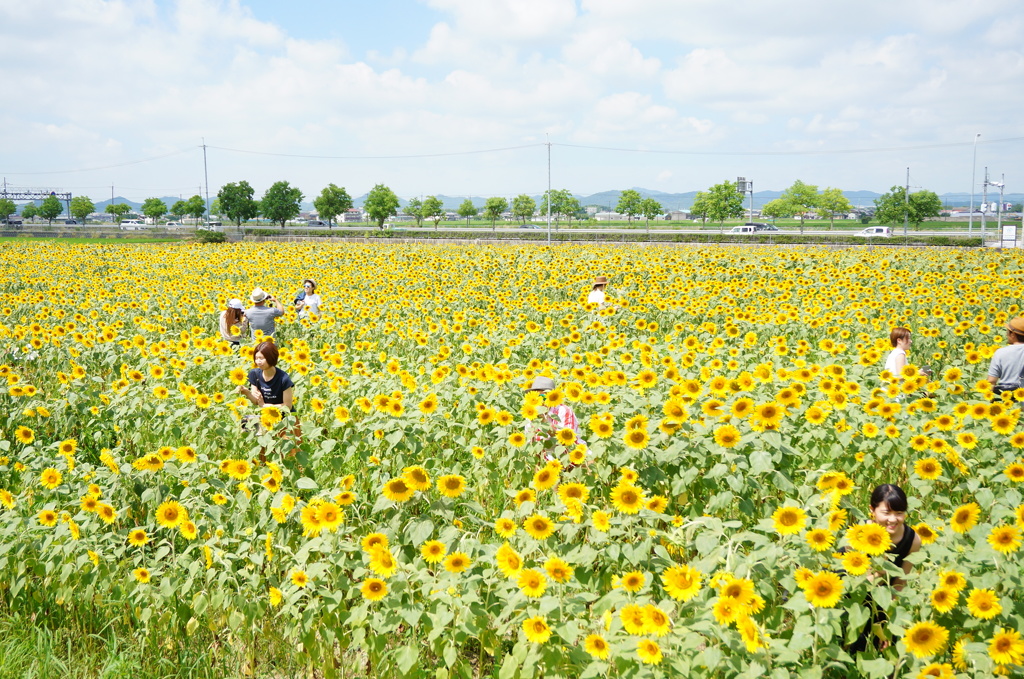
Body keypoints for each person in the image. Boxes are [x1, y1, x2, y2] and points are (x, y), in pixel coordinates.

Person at [847, 483, 922, 653]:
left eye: (899, 513)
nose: (893, 519)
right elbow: (853, 579)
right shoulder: (859, 533)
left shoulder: (912, 540)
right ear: (872, 510)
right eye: (886, 513)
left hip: (884, 597)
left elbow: (900, 583)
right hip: (854, 594)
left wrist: (889, 623)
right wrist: (878, 573)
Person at [525, 376, 583, 462]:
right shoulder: (531, 414)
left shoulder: (563, 411)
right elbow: (531, 443)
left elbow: (568, 442)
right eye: (536, 397)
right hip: (544, 459)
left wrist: (545, 423)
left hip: (571, 457)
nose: (540, 400)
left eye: (543, 396)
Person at [236, 341, 294, 412]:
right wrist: (247, 392)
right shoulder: (254, 374)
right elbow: (257, 401)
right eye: (256, 358)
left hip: (284, 417)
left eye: (261, 358)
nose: (258, 362)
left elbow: (288, 406)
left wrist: (267, 406)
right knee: (245, 421)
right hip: (265, 416)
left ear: (271, 357)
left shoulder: (283, 378)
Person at [987, 316, 1024, 394]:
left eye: (1008, 332)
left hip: (1007, 398)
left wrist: (988, 401)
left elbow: (991, 381)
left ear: (1013, 334)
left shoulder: (1001, 353)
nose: (1006, 334)